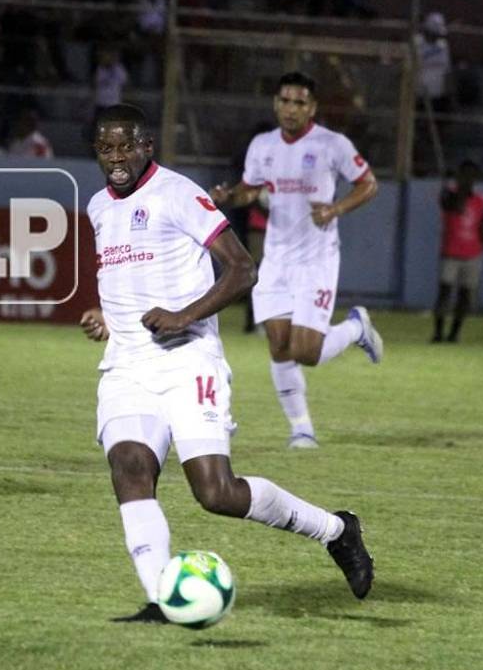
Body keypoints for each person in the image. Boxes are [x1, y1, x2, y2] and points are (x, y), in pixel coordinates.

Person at [80, 104, 374, 623]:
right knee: (129, 469)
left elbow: (242, 269)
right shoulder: (99, 206)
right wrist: (109, 316)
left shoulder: (178, 193)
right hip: (126, 366)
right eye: (106, 148)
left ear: (147, 146)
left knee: (216, 492)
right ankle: (162, 601)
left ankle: (336, 530)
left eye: (126, 146)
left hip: (188, 360)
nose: (117, 158)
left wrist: (183, 316)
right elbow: (131, 274)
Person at [208, 72, 382, 450]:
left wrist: (335, 209)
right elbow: (250, 190)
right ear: (276, 104)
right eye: (285, 101)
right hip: (276, 259)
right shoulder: (263, 145)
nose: (291, 109)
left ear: (312, 108)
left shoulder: (332, 144)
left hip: (317, 259)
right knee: (278, 345)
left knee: (306, 352)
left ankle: (355, 327)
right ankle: (302, 430)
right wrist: (229, 196)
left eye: (300, 103)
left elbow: (369, 184)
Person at [433, 158, 483, 343]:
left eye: (472, 176)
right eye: (465, 175)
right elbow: (454, 207)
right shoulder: (449, 195)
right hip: (450, 253)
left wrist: (481, 248)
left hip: (473, 254)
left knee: (465, 296)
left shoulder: (482, 200)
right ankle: (438, 333)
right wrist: (457, 189)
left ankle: (454, 334)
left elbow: (482, 226)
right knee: (445, 292)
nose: (468, 179)